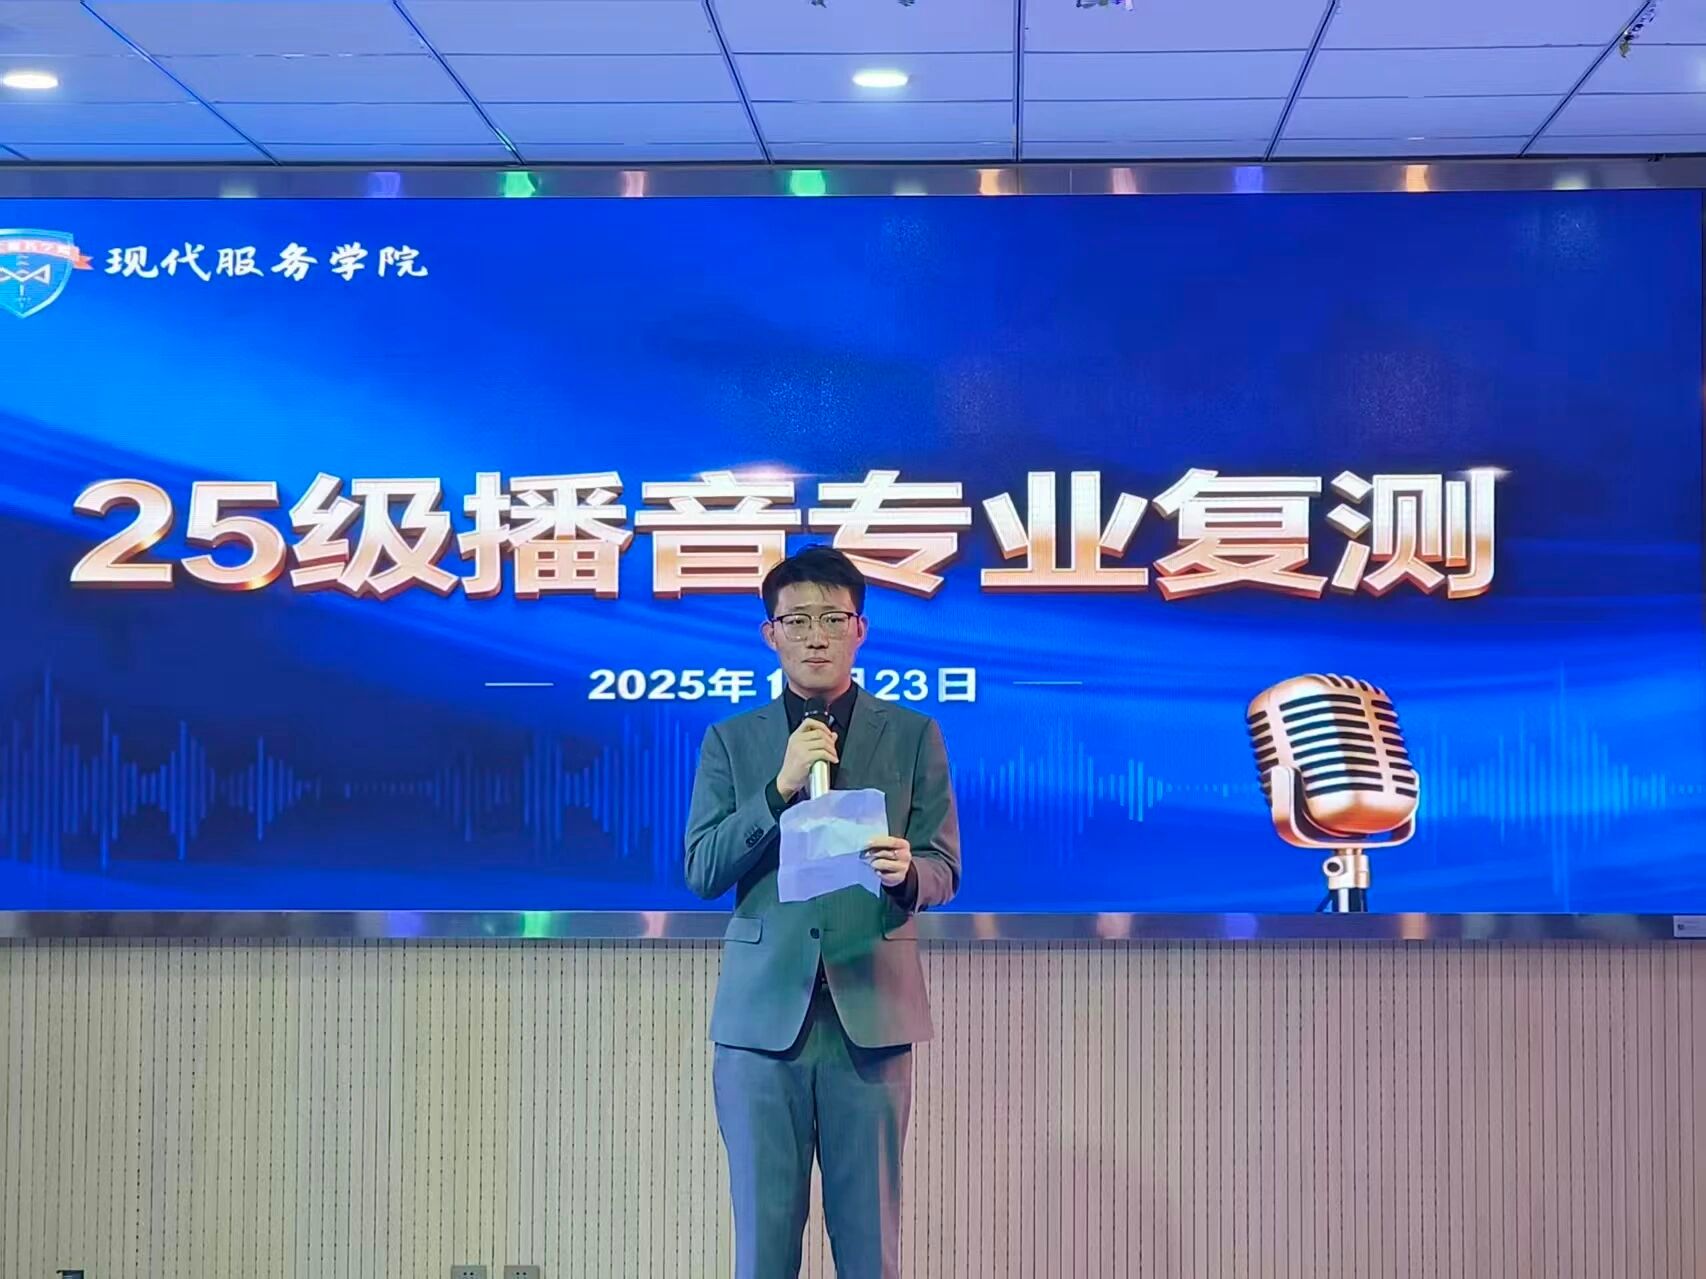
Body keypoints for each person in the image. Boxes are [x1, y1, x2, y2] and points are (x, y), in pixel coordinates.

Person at [684, 545, 962, 1279]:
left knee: (870, 1248)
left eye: (833, 619)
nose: (816, 636)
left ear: (860, 629)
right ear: (769, 633)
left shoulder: (912, 734)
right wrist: (775, 790)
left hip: (871, 1016)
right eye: (797, 620)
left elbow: (945, 866)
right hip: (761, 1025)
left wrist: (908, 874)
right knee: (763, 1248)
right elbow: (702, 868)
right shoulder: (732, 741)